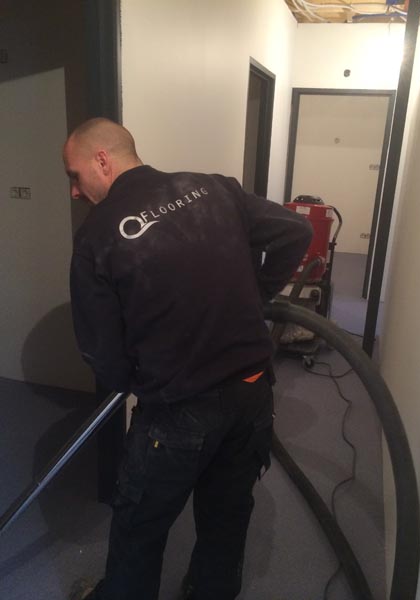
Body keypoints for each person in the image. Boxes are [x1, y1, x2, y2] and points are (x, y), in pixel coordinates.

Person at [64, 117, 312, 600]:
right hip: (252, 394)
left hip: (178, 411)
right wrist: (257, 295)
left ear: (102, 160)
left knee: (139, 526)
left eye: (74, 175)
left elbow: (101, 352)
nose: (74, 190)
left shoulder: (97, 235)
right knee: (227, 513)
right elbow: (296, 231)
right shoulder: (213, 188)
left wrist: (135, 381)